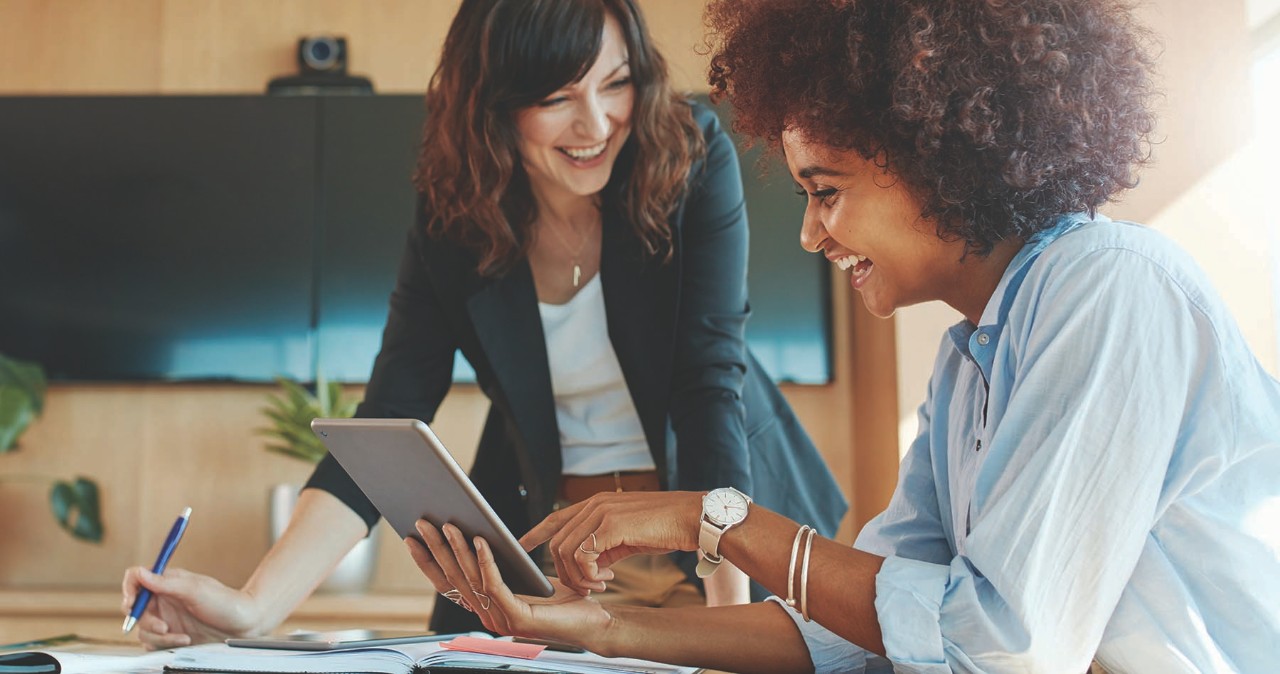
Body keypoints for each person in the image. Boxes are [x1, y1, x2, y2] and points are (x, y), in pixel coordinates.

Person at [405, 0, 1280, 671]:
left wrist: (713, 517)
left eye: (826, 191)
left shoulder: (1108, 287)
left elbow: (997, 647)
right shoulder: (969, 361)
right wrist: (599, 627)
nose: (811, 234)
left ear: (937, 151)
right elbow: (863, 631)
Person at [119, 0, 846, 647]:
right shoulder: (456, 216)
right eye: (558, 96)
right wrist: (251, 609)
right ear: (494, 103)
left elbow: (707, 381)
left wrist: (729, 621)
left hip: (721, 538)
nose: (596, 123)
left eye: (616, 82)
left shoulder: (688, 155)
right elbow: (389, 419)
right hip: (563, 557)